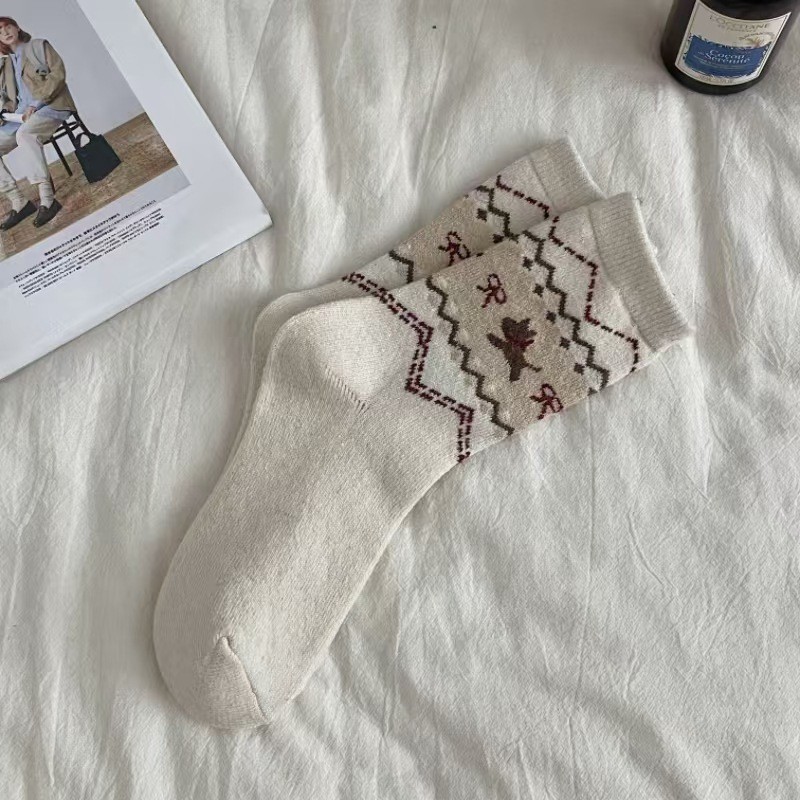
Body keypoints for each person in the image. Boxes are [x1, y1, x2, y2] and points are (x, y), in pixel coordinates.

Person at [0, 17, 77, 230]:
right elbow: (9, 99)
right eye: (0, 31)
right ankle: (19, 202)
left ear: (17, 27)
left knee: (25, 135)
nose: (5, 32)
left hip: (51, 106)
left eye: (8, 26)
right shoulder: (7, 64)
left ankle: (48, 199)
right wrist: (4, 112)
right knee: (19, 132)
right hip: (21, 116)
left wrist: (36, 103)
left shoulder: (38, 46)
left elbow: (58, 75)